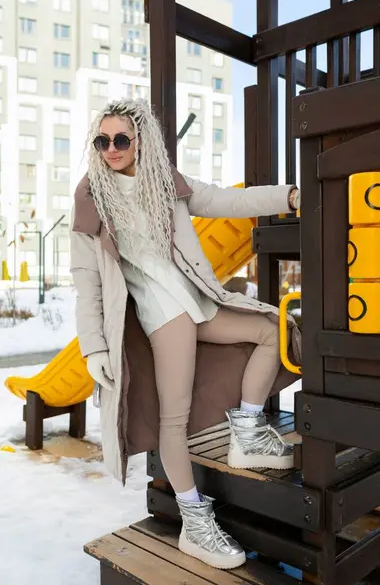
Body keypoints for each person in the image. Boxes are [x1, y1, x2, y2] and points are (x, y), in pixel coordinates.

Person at [70, 99, 301, 570]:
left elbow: (229, 201)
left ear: (140, 140)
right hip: (163, 316)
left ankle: (248, 429)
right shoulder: (90, 197)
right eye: (102, 141)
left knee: (270, 331)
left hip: (199, 302)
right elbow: (85, 281)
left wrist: (289, 197)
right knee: (173, 421)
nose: (111, 149)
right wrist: (94, 347)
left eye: (120, 139)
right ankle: (195, 521)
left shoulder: (166, 183)